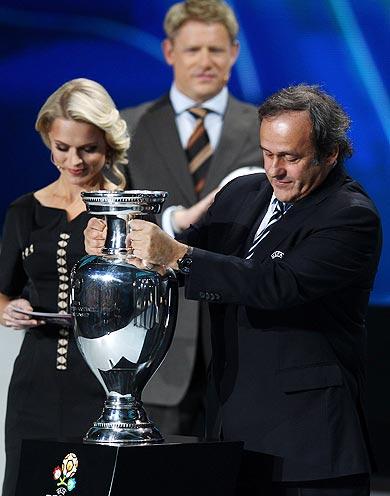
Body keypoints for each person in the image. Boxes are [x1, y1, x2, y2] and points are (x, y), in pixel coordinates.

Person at [85, 84, 382, 495]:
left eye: (290, 157)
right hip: (232, 434)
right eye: (267, 153)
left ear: (330, 154)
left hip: (309, 446)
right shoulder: (241, 193)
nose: (274, 169)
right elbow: (181, 261)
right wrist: (118, 243)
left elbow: (276, 284)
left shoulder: (350, 217)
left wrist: (178, 255)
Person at [121, 0, 262, 436]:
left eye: (216, 50)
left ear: (235, 52)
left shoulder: (269, 129)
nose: (205, 61)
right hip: (155, 346)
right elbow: (107, 224)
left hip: (246, 340)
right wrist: (172, 225)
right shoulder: (127, 129)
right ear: (168, 51)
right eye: (192, 49)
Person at [0, 78, 129, 496]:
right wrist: (8, 309)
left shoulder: (126, 209)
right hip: (33, 386)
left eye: (87, 149)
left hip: (102, 387)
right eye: (62, 147)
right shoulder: (24, 210)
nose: (73, 160)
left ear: (107, 145)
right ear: (47, 141)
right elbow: (3, 289)